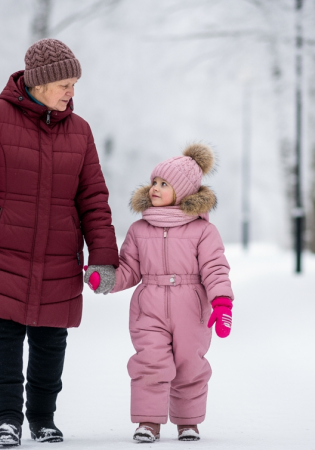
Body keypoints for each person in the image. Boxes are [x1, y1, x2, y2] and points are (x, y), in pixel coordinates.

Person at [0, 38, 118, 446]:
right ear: (39, 82)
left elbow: (93, 199)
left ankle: (42, 419)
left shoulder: (80, 131)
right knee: (3, 334)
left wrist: (102, 257)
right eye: (65, 84)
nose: (72, 93)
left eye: (75, 85)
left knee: (52, 337)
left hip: (57, 255)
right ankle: (6, 421)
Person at [90, 143, 234, 442]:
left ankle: (188, 422)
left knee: (189, 364)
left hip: (192, 307)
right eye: (154, 181)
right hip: (149, 305)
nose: (154, 188)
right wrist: (105, 281)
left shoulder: (203, 231)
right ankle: (148, 421)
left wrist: (221, 303)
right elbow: (130, 269)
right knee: (150, 362)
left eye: (164, 184)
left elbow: (215, 268)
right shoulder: (139, 229)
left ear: (182, 192)